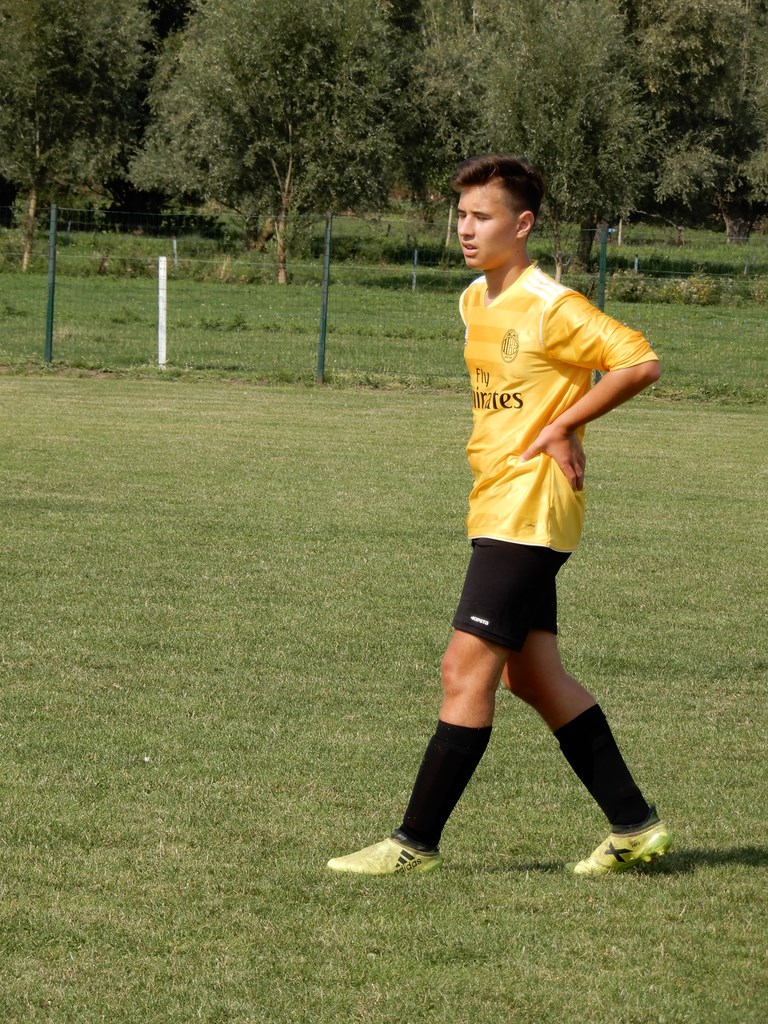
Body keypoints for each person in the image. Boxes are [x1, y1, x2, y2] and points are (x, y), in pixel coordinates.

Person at [327, 154, 671, 877]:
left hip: (531, 507)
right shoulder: (472, 301)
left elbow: (639, 362)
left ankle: (413, 843)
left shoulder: (552, 305)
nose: (466, 228)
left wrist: (565, 424)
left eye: (482, 216)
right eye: (460, 215)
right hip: (496, 502)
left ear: (522, 224)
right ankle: (635, 826)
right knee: (533, 678)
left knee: (464, 670)